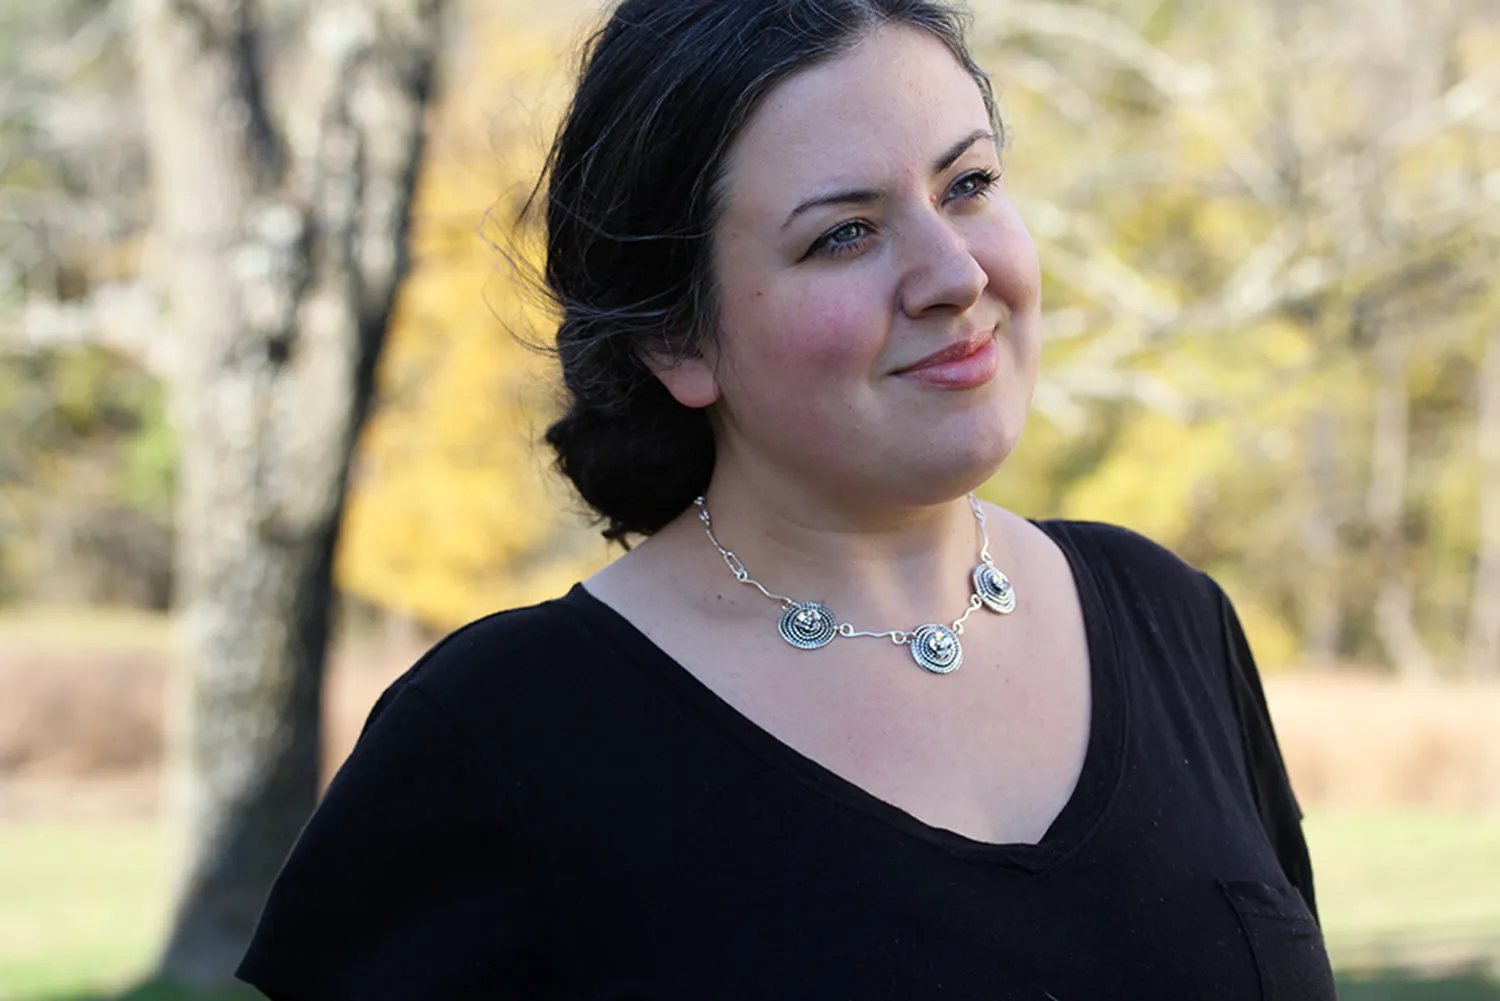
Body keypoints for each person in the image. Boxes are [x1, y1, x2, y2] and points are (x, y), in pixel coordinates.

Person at [236, 1, 1337, 998]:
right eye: (843, 233)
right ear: (678, 337)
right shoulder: (496, 738)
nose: (954, 272)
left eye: (969, 184)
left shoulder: (1167, 614)